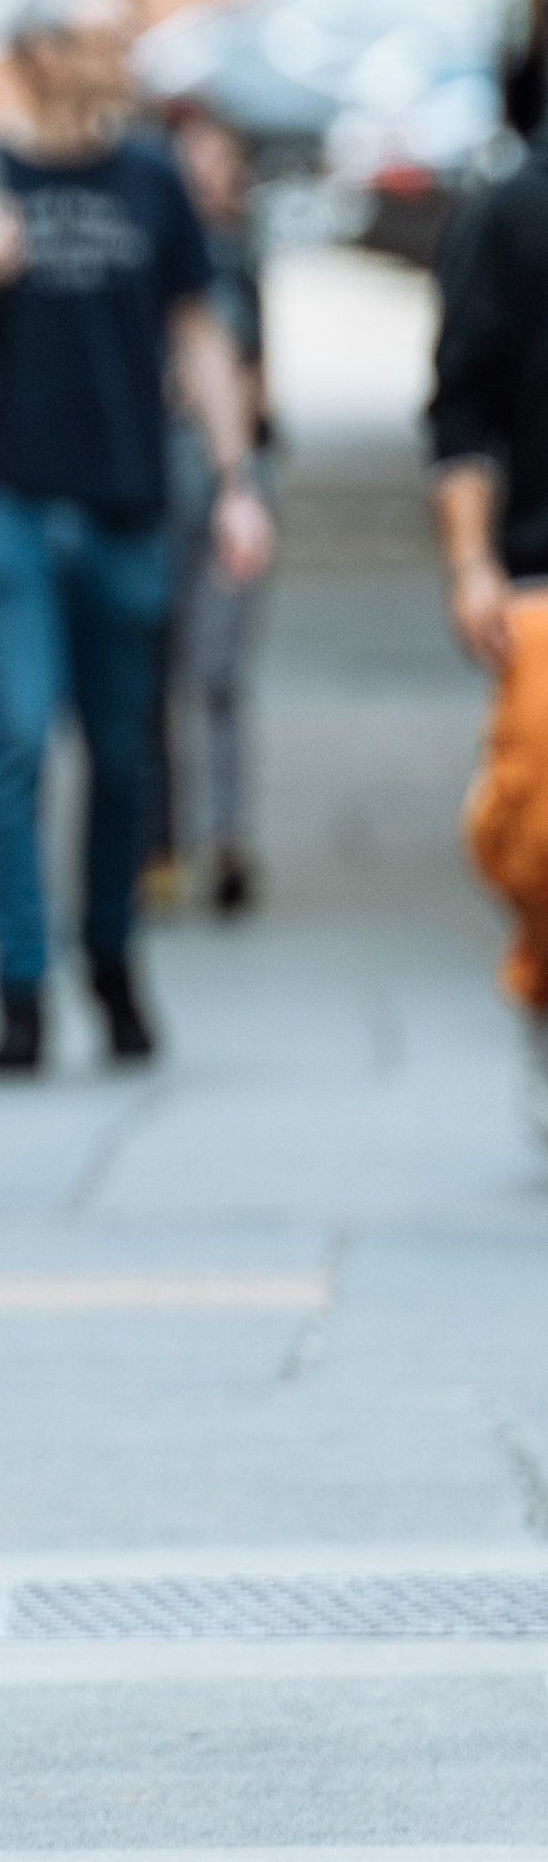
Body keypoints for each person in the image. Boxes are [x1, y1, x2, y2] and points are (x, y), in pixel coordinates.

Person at [0, 0, 273, 1076]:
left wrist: (236, 478)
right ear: (36, 57)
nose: (123, 58)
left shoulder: (152, 178)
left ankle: (109, 958)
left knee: (127, 757)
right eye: (102, 42)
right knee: (14, 741)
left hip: (130, 509)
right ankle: (25, 990)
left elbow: (197, 333)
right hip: (3, 504)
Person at [429, 88, 548, 1120]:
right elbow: (461, 402)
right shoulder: (513, 210)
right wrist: (469, 565)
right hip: (540, 580)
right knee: (536, 833)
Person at [155, 103, 271, 918]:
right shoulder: (147, 255)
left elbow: (260, 376)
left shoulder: (239, 262)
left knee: (220, 673)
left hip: (226, 490)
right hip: (152, 491)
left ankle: (226, 840)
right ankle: (160, 845)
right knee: (154, 678)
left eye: (220, 156)